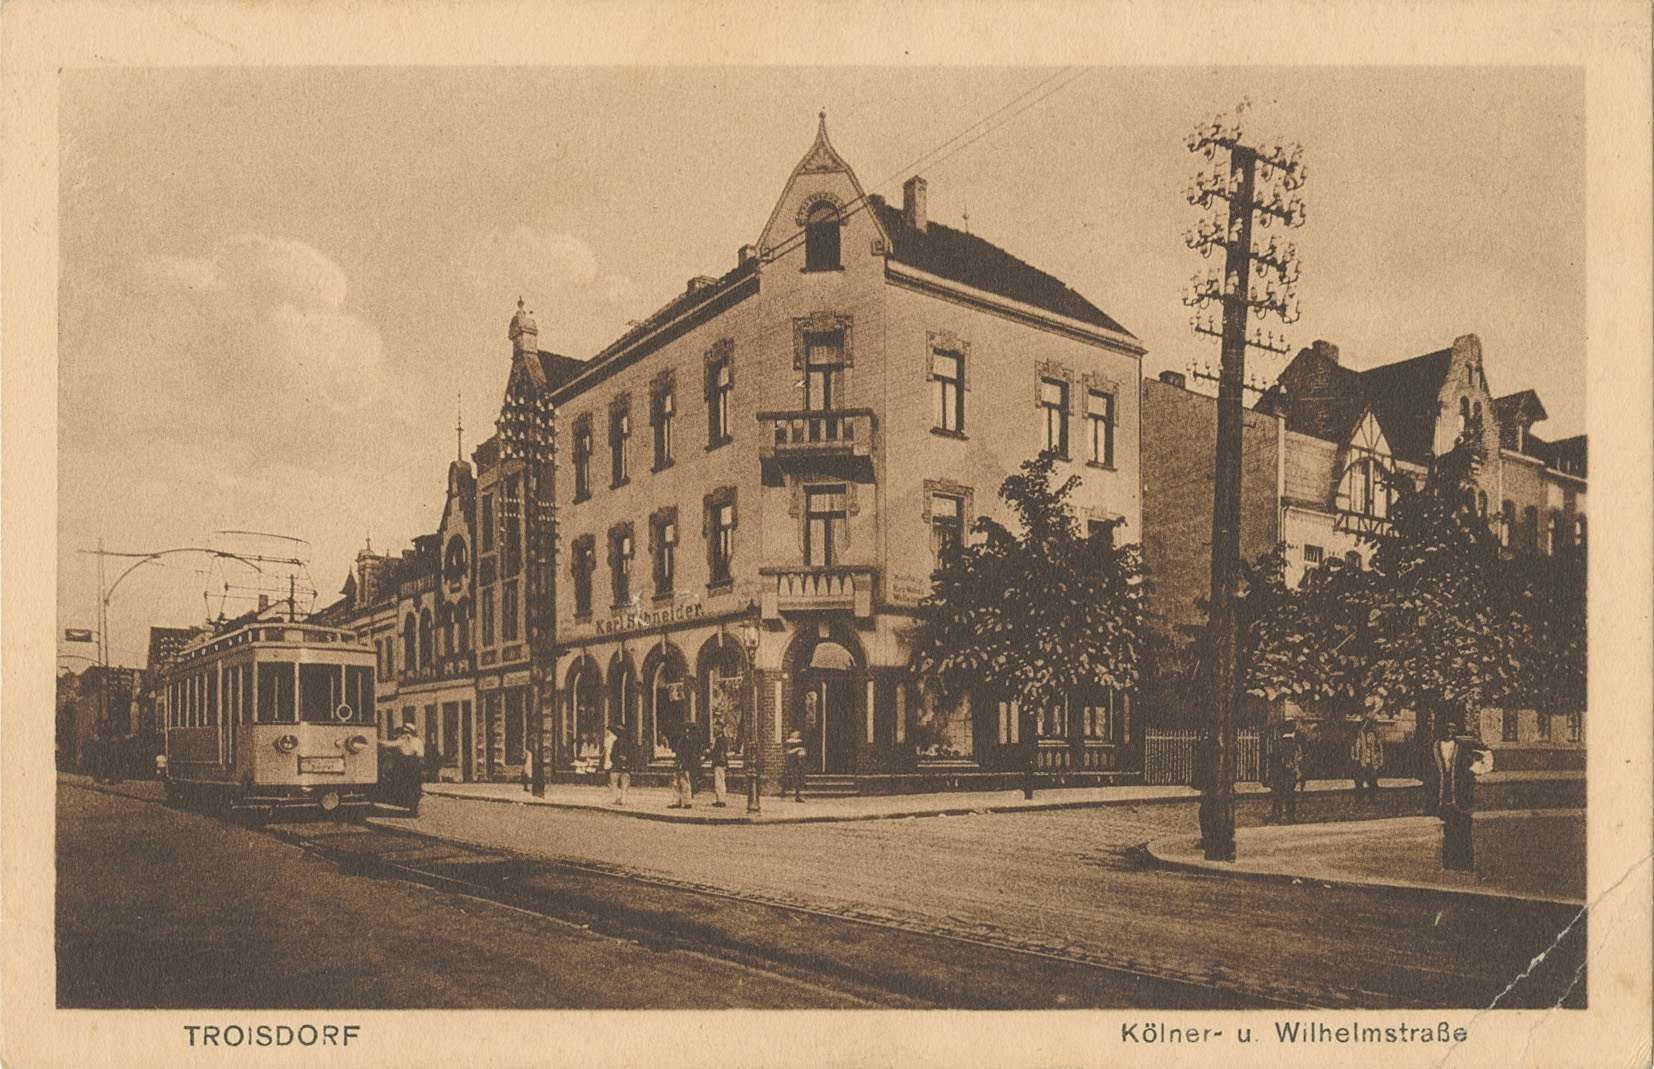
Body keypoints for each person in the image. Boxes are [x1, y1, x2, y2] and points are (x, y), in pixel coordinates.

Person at [378, 725, 425, 816]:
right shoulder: (418, 741)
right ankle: (413, 807)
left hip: (406, 765)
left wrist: (377, 740)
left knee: (406, 785)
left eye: (405, 732)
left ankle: (410, 806)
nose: (405, 734)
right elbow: (421, 754)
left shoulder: (402, 741)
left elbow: (388, 744)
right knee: (415, 787)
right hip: (416, 765)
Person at [1268, 722, 1301, 825]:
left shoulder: (1279, 744)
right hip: (1286, 773)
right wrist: (1296, 771)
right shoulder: (1291, 744)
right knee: (1288, 795)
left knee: (1280, 795)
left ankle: (1277, 816)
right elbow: (1292, 759)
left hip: (1280, 773)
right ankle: (1288, 817)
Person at [1350, 718, 1384, 802]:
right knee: (1359, 781)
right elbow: (1354, 748)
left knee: (1372, 781)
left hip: (1371, 762)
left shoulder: (1374, 736)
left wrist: (1379, 761)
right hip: (1361, 762)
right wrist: (1354, 758)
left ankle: (1373, 797)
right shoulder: (1359, 736)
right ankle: (1359, 797)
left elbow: (1379, 749)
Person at [669, 722, 696, 809]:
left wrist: (681, 763)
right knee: (677, 783)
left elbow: (687, 754)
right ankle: (679, 801)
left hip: (683, 764)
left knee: (684, 783)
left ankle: (685, 801)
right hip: (681, 763)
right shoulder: (684, 740)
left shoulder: (687, 741)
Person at [608, 721, 632, 805]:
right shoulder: (628, 743)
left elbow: (612, 755)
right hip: (624, 766)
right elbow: (632, 755)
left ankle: (618, 798)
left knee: (614, 782)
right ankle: (622, 799)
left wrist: (617, 760)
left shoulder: (617, 743)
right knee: (624, 784)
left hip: (618, 766)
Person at [706, 727, 730, 807]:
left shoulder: (719, 740)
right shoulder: (724, 739)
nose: (715, 730)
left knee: (718, 782)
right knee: (722, 781)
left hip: (719, 763)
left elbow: (719, 752)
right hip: (722, 763)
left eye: (716, 728)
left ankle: (720, 800)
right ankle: (721, 799)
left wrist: (710, 751)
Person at [783, 730, 808, 803]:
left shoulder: (799, 744)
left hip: (798, 763)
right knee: (795, 777)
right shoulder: (789, 744)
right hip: (792, 764)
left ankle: (797, 794)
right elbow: (788, 752)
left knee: (799, 778)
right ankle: (790, 793)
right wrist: (798, 749)